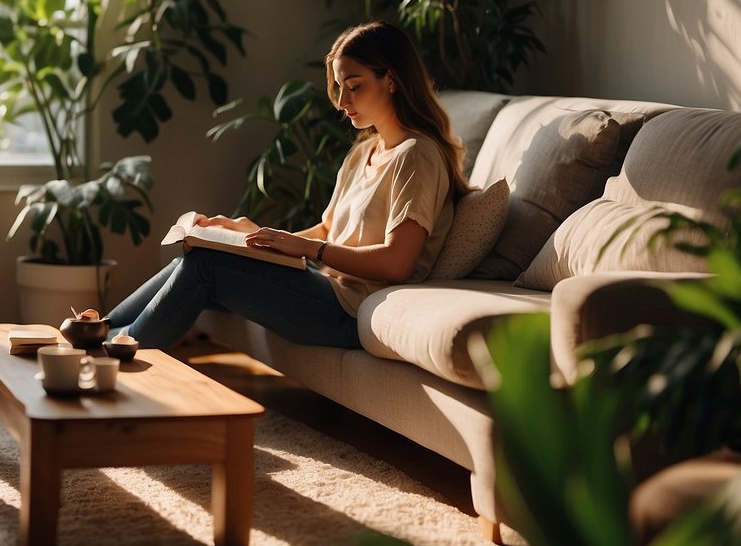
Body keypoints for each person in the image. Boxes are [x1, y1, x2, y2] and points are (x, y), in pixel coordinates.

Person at [108, 21, 471, 350]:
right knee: (201, 255)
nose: (343, 103)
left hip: (348, 307)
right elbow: (329, 229)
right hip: (323, 284)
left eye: (355, 87)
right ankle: (100, 330)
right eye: (340, 88)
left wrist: (305, 248)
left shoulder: (417, 155)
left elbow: (396, 264)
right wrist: (250, 235)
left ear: (391, 79)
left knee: (206, 266)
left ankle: (113, 352)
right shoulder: (365, 153)